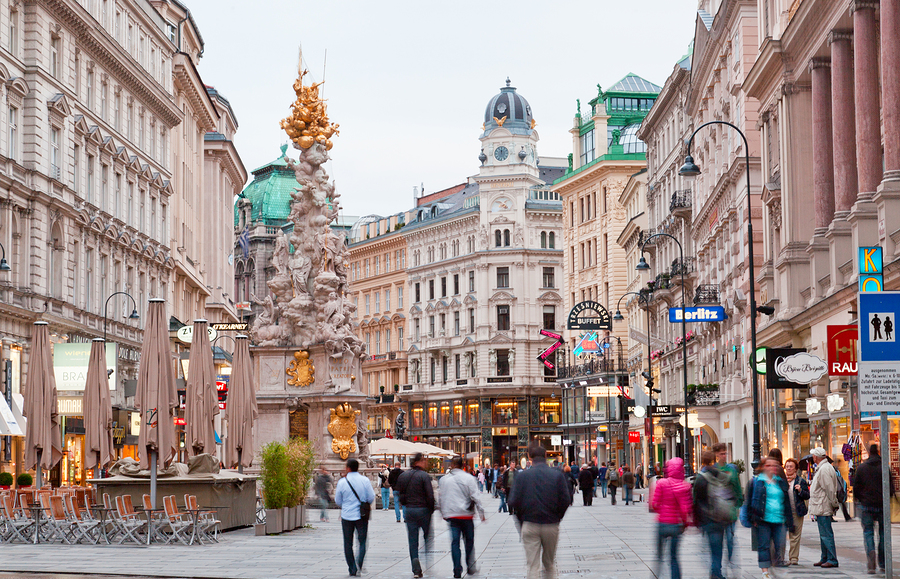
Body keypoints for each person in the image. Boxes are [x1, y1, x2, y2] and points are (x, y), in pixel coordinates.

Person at [508, 444, 570, 579]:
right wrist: (557, 516)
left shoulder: (522, 476)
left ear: (529, 457)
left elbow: (512, 501)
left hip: (530, 524)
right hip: (551, 524)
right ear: (546, 456)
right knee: (549, 564)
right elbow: (566, 499)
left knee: (532, 565)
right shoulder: (557, 475)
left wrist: (523, 517)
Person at [852, 443, 895, 574]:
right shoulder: (884, 467)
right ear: (878, 452)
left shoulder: (862, 467)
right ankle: (882, 563)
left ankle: (871, 555)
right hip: (882, 505)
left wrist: (859, 499)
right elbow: (891, 487)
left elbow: (856, 487)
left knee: (868, 532)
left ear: (869, 453)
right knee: (883, 534)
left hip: (866, 505)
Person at [749, 457, 795, 579]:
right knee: (764, 546)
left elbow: (786, 502)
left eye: (774, 465)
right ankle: (765, 572)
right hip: (763, 519)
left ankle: (774, 566)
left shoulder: (779, 481)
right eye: (768, 465)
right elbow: (750, 501)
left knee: (779, 545)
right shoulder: (757, 481)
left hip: (779, 519)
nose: (771, 468)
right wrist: (752, 518)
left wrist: (790, 522)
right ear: (764, 467)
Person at [693, 451, 736, 579]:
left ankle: (715, 572)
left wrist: (697, 521)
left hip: (708, 518)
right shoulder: (720, 475)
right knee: (718, 548)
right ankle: (716, 571)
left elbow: (697, 500)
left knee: (712, 547)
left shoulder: (700, 478)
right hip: (721, 517)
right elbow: (730, 492)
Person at [650, 457, 692, 579]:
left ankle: (656, 576)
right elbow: (686, 509)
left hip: (662, 523)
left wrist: (662, 511)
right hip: (676, 526)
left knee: (659, 556)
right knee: (674, 557)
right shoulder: (685, 486)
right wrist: (685, 524)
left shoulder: (661, 483)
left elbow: (654, 504)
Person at [395, 452, 436, 578]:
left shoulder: (404, 476)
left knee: (412, 540)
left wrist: (405, 505)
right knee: (428, 536)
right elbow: (430, 495)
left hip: (410, 510)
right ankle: (426, 559)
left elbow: (399, 494)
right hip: (423, 510)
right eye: (423, 460)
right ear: (418, 462)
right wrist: (431, 509)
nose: (425, 462)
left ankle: (416, 568)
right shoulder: (424, 476)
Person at [334, 458, 375, 577]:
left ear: (348, 468)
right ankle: (359, 563)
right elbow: (371, 497)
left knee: (348, 543)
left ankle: (352, 568)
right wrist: (363, 503)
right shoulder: (365, 480)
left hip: (347, 515)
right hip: (361, 515)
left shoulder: (342, 482)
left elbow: (338, 500)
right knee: (362, 541)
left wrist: (346, 506)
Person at [713, 442, 744, 570]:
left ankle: (730, 560)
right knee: (718, 540)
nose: (724, 456)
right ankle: (717, 566)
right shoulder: (713, 470)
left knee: (730, 538)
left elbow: (737, 488)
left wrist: (738, 504)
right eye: (721, 454)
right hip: (716, 512)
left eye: (725, 453)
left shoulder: (731, 470)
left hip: (730, 510)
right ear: (716, 455)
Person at [808, 447, 840, 568]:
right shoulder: (823, 468)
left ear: (816, 457)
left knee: (826, 533)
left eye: (813, 456)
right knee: (824, 534)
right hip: (821, 505)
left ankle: (832, 559)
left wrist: (834, 503)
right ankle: (825, 557)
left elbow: (829, 489)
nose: (812, 458)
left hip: (823, 505)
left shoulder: (824, 469)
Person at [784, 458, 810, 566]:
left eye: (791, 466)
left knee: (794, 536)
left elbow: (807, 495)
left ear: (795, 469)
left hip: (796, 512)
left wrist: (800, 490)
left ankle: (793, 558)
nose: (789, 468)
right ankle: (779, 557)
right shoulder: (782, 481)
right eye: (787, 466)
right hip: (784, 512)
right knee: (780, 535)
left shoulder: (800, 481)